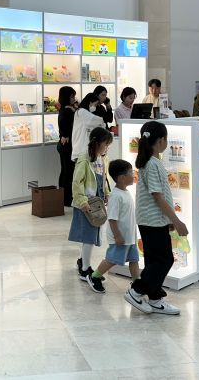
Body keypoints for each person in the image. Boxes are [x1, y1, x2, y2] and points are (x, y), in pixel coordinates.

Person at [124, 121, 188, 316]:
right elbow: (157, 196)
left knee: (154, 260)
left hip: (154, 220)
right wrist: (176, 220)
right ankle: (136, 291)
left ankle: (155, 299)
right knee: (164, 259)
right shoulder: (152, 164)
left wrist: (168, 220)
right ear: (161, 140)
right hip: (151, 220)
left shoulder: (151, 162)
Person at [86, 159, 140, 294]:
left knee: (134, 260)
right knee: (112, 259)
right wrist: (117, 236)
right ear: (122, 178)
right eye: (131, 172)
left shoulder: (126, 192)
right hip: (120, 237)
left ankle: (137, 283)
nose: (134, 174)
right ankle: (94, 276)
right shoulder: (116, 196)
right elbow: (112, 218)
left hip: (130, 237)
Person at [69, 127, 113, 281]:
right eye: (106, 144)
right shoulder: (84, 159)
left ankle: (82, 261)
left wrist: (107, 193)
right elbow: (77, 182)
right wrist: (82, 201)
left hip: (96, 203)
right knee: (89, 237)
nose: (107, 148)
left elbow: (104, 179)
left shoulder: (103, 158)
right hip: (86, 204)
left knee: (91, 235)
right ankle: (85, 269)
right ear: (97, 143)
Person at [57, 86, 77, 207]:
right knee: (68, 172)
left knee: (66, 171)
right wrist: (65, 135)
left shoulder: (67, 109)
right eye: (72, 96)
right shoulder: (67, 111)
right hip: (66, 146)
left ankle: (64, 198)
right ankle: (66, 198)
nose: (74, 99)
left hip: (65, 145)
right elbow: (65, 126)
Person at [71, 93, 106, 161]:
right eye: (95, 104)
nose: (95, 107)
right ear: (90, 102)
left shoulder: (82, 112)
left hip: (81, 148)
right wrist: (102, 123)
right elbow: (97, 121)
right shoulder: (82, 112)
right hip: (81, 149)